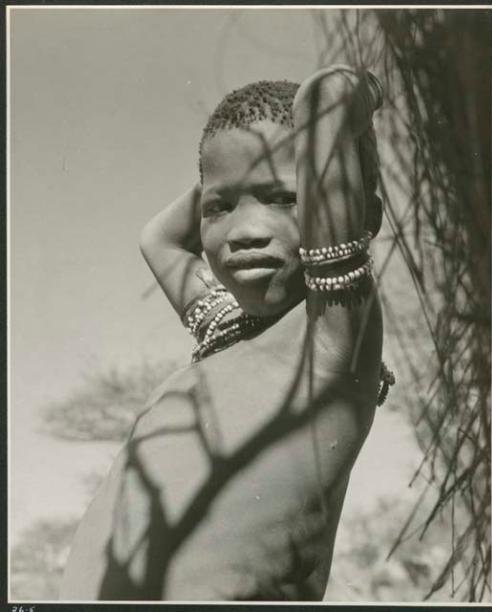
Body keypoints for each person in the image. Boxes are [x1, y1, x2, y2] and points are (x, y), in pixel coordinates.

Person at [60, 64, 394, 601]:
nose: (245, 233)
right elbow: (159, 240)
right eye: (221, 208)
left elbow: (327, 102)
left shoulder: (333, 338)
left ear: (361, 216)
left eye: (283, 199)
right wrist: (232, 172)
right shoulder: (222, 330)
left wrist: (374, 88)